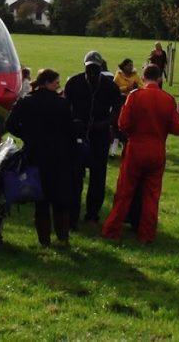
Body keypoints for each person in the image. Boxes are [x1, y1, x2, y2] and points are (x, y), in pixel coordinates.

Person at [101, 64, 179, 242]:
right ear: (160, 78)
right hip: (157, 149)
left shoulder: (135, 96)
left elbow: (123, 124)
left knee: (125, 191)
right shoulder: (168, 99)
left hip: (136, 147)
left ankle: (112, 229)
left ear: (143, 78)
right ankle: (146, 235)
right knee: (151, 195)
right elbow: (177, 128)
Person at [5, 69, 76, 246]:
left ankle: (44, 240)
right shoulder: (62, 104)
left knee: (41, 200)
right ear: (47, 82)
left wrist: (26, 135)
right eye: (56, 82)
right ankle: (63, 237)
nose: (58, 85)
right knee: (60, 199)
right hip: (58, 156)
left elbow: (10, 124)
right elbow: (70, 130)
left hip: (35, 154)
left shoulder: (26, 101)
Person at [65, 51, 121, 228]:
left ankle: (92, 215)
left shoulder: (110, 86)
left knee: (98, 178)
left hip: (100, 136)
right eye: (89, 68)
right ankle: (72, 216)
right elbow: (65, 107)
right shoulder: (73, 82)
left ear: (101, 68)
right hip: (77, 137)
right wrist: (73, 124)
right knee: (75, 178)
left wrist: (105, 123)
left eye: (95, 69)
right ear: (84, 66)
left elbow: (117, 110)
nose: (91, 72)